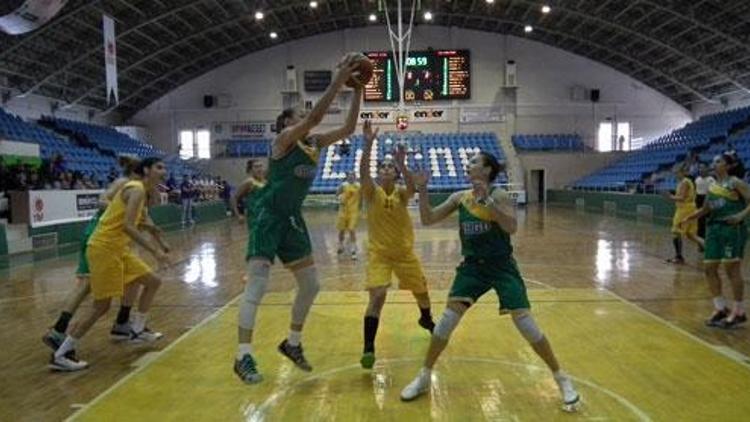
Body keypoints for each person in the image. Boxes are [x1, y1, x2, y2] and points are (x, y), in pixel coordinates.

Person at [399, 151, 580, 412]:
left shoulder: (500, 195)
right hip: (472, 268)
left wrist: (489, 204)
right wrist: (423, 189)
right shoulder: (460, 197)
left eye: (474, 161)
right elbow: (428, 219)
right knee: (447, 321)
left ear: (486, 170)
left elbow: (511, 228)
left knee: (526, 324)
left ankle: (561, 378)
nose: (468, 164)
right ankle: (424, 376)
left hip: (501, 267)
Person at [234, 53, 362, 384]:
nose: (306, 117)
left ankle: (292, 343)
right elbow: (316, 119)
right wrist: (338, 80)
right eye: (299, 115)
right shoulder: (282, 142)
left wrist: (358, 89)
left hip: (291, 217)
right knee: (258, 287)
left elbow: (348, 128)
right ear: (287, 124)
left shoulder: (315, 143)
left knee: (311, 284)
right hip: (268, 215)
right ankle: (243, 355)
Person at [49, 158, 170, 371]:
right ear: (146, 170)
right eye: (158, 167)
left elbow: (140, 222)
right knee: (101, 306)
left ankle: (138, 329)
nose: (163, 171)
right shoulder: (136, 189)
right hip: (104, 248)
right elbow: (128, 227)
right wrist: (156, 251)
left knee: (153, 281)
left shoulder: (142, 192)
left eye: (164, 167)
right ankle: (62, 353)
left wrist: (159, 238)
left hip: (119, 249)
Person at [357, 122, 435, 369]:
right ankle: (369, 347)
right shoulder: (371, 192)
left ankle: (426, 319)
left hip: (404, 253)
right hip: (379, 254)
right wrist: (368, 144)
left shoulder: (402, 192)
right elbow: (363, 173)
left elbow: (413, 188)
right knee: (378, 296)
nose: (387, 169)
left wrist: (402, 162)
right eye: (384, 166)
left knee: (421, 292)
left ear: (395, 173)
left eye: (391, 167)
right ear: (379, 173)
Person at [682, 153, 748, 328]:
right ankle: (720, 309)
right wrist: (689, 217)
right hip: (714, 229)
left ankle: (739, 311)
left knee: (731, 268)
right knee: (709, 268)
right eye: (714, 160)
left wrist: (741, 215)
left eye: (718, 161)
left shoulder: (736, 183)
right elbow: (706, 209)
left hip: (733, 229)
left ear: (729, 165)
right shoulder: (712, 186)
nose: (714, 163)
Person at [664, 163, 703, 263]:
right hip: (690, 208)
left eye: (676, 173)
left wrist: (670, 197)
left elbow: (682, 198)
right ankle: (711, 249)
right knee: (691, 234)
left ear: (682, 173)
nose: (675, 175)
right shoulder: (685, 182)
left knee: (675, 231)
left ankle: (679, 257)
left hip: (684, 210)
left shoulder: (685, 182)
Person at [232, 159, 267, 256]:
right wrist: (238, 215)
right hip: (255, 219)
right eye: (256, 167)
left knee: (265, 247)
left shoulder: (265, 181)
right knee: (256, 247)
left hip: (267, 218)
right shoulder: (248, 182)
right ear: (250, 170)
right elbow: (235, 198)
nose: (259, 169)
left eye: (261, 166)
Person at [336, 171, 361, 259]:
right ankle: (340, 245)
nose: (351, 177)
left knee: (352, 229)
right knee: (341, 230)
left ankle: (353, 250)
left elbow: (361, 198)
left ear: (355, 177)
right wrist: (339, 198)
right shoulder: (343, 185)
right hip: (343, 211)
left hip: (354, 211)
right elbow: (337, 194)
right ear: (347, 177)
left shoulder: (358, 186)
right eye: (349, 176)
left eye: (352, 176)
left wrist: (361, 208)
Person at [694, 163, 715, 239]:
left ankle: (711, 237)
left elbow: (712, 192)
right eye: (700, 168)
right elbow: (696, 191)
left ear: (707, 169)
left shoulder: (711, 180)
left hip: (707, 199)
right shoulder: (697, 179)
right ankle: (701, 239)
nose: (701, 169)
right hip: (699, 199)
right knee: (700, 221)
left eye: (703, 168)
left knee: (710, 220)